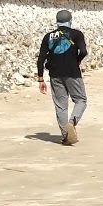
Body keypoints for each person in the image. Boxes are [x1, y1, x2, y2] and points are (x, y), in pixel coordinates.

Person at [36, 8, 89, 146]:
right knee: (80, 99)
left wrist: (41, 78)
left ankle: (66, 136)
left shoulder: (48, 37)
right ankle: (72, 122)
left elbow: (41, 58)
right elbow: (83, 51)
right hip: (72, 73)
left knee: (61, 106)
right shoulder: (77, 34)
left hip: (55, 75)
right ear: (70, 21)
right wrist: (77, 60)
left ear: (57, 22)